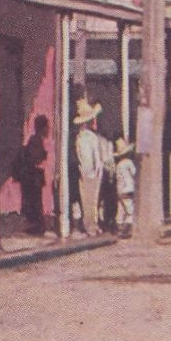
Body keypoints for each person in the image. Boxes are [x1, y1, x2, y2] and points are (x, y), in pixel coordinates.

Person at [72, 97, 103, 237]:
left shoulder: (80, 138)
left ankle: (92, 225)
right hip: (89, 173)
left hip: (86, 172)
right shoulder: (89, 137)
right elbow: (91, 158)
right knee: (90, 201)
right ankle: (91, 226)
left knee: (89, 200)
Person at [16, 114, 50, 235]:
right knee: (35, 202)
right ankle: (36, 227)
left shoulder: (37, 140)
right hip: (33, 178)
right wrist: (42, 159)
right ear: (42, 128)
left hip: (35, 178)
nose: (48, 130)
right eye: (47, 127)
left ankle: (37, 226)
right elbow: (34, 160)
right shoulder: (35, 140)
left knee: (36, 202)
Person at [113, 137, 137, 238]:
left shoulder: (118, 165)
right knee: (130, 210)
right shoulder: (128, 163)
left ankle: (119, 226)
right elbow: (135, 173)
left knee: (121, 209)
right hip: (128, 189)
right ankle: (127, 229)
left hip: (120, 190)